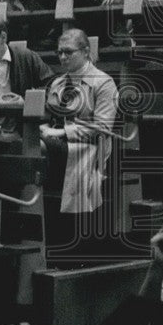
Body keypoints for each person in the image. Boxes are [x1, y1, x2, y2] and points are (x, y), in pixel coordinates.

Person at [41, 28, 119, 218]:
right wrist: (44, 127)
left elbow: (102, 128)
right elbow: (49, 117)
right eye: (59, 52)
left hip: (88, 149)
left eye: (68, 52)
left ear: (85, 52)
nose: (62, 57)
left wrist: (61, 133)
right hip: (59, 144)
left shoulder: (104, 83)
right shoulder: (58, 83)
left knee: (38, 146)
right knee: (26, 142)